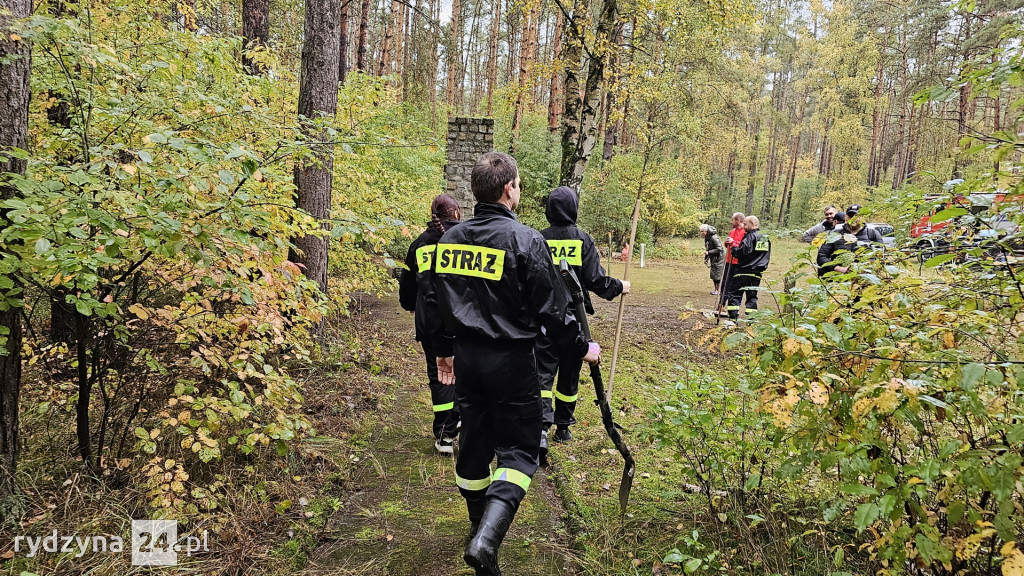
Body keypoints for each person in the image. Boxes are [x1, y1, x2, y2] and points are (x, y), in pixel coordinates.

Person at [422, 152, 601, 576]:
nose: (519, 190)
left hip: (467, 362)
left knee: (475, 445)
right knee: (520, 453)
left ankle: (476, 528)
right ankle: (487, 539)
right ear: (508, 190)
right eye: (518, 185)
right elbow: (555, 313)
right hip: (512, 363)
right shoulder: (524, 240)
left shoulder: (450, 239)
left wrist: (444, 349)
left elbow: (435, 301)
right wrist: (580, 348)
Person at [536, 186, 629, 457]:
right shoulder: (582, 240)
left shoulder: (537, 239)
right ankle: (563, 426)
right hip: (574, 320)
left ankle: (541, 427)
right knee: (570, 371)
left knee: (542, 374)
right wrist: (619, 286)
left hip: (543, 318)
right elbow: (596, 281)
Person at [398, 194, 463, 455]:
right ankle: (457, 421)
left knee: (439, 375)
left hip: (431, 323)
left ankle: (444, 432)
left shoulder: (419, 244)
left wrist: (412, 306)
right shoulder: (466, 240)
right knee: (463, 372)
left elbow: (407, 286)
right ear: (457, 213)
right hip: (462, 320)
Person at [724, 215, 771, 321]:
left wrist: (733, 246)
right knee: (752, 295)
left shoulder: (749, 237)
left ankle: (732, 318)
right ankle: (751, 320)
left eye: (745, 224)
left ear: (752, 224)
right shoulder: (764, 237)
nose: (743, 226)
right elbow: (763, 254)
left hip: (744, 270)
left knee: (735, 294)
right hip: (757, 272)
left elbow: (742, 252)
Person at [817, 206, 882, 276]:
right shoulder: (835, 235)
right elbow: (821, 256)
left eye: (856, 215)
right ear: (845, 217)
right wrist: (838, 268)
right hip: (837, 280)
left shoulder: (873, 234)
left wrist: (862, 267)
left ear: (862, 217)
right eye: (850, 216)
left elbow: (880, 257)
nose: (853, 218)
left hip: (864, 280)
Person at [717, 212, 746, 313]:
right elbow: (727, 245)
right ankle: (721, 303)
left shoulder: (745, 232)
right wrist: (727, 242)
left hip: (738, 263)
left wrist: (734, 242)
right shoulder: (732, 231)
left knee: (736, 286)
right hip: (729, 261)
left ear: (738, 220)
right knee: (725, 283)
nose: (731, 222)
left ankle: (734, 308)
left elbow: (744, 247)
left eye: (733, 220)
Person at [700, 224, 725, 295]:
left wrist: (708, 252)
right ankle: (716, 290)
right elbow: (708, 249)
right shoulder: (707, 238)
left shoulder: (714, 237)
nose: (701, 233)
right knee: (713, 274)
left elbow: (719, 249)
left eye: (703, 231)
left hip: (719, 258)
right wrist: (706, 259)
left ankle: (719, 290)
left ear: (706, 231)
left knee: (718, 275)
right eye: (701, 231)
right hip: (713, 257)